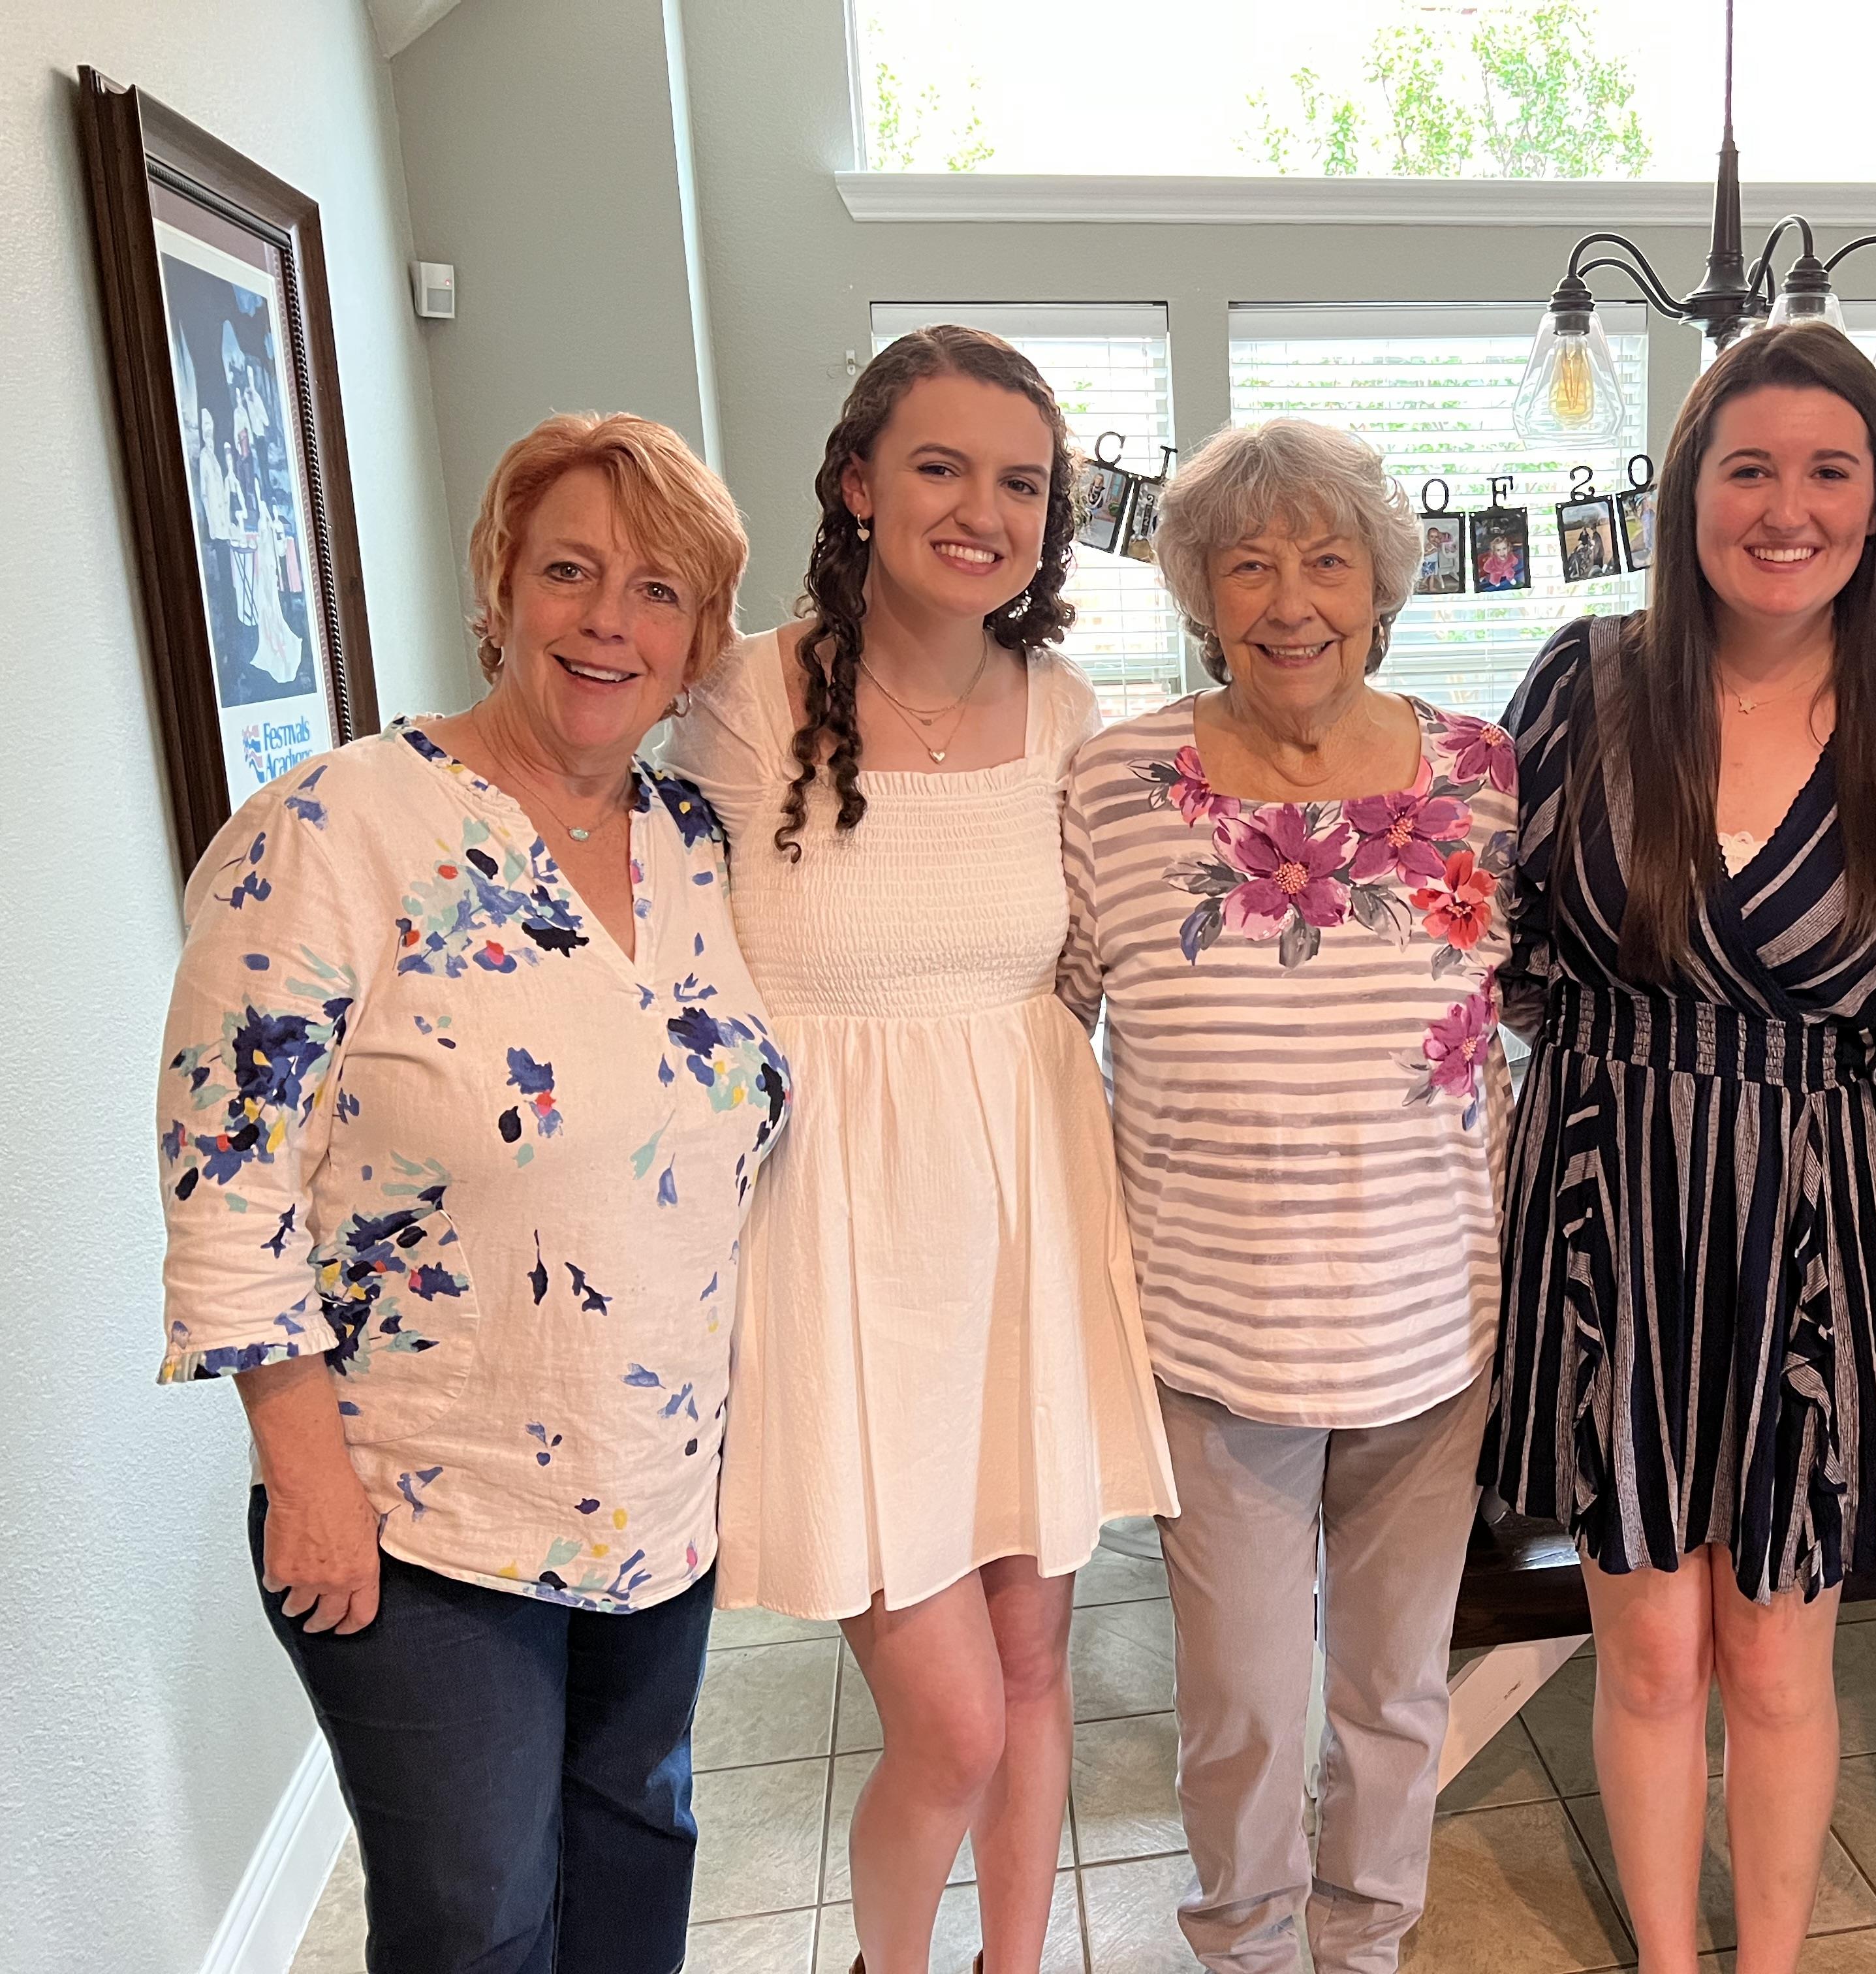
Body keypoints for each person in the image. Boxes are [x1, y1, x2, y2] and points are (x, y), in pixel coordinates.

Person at [156, 411, 789, 1974]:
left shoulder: (695, 843)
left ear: (702, 640)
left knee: (638, 1848)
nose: (607, 621)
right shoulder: (334, 830)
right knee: (475, 1919)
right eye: (568, 571)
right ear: (497, 589)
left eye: (657, 592)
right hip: (418, 1505)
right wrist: (305, 1482)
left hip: (655, 1488)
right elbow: (225, 1184)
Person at [1482, 321, 1876, 1974]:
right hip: (1611, 1211)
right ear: (1690, 490)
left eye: (1829, 470)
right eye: (1748, 467)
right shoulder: (1583, 682)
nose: (1788, 507)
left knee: (1777, 1661)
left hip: (1819, 1231)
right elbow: (1477, 954)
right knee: (1645, 1656)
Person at [669, 326, 1176, 1974]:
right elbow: (680, 980)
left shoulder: (1068, 711)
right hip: (837, 1248)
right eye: (943, 467)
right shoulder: (750, 699)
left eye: (1022, 482)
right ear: (857, 484)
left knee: (1036, 1677)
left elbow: (1095, 966)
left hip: (1029, 1222)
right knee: (950, 1723)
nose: (984, 509)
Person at [1059, 417, 1516, 1973]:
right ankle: (1249, 1947)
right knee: (1245, 1704)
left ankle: (1369, 1940)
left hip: (1434, 1326)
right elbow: (1045, 1036)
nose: (1290, 599)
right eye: (1247, 563)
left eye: (1326, 559)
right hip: (1211, 1334)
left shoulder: (1484, 779)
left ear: (1384, 582)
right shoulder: (1114, 785)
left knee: (1394, 1692)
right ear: (1198, 588)